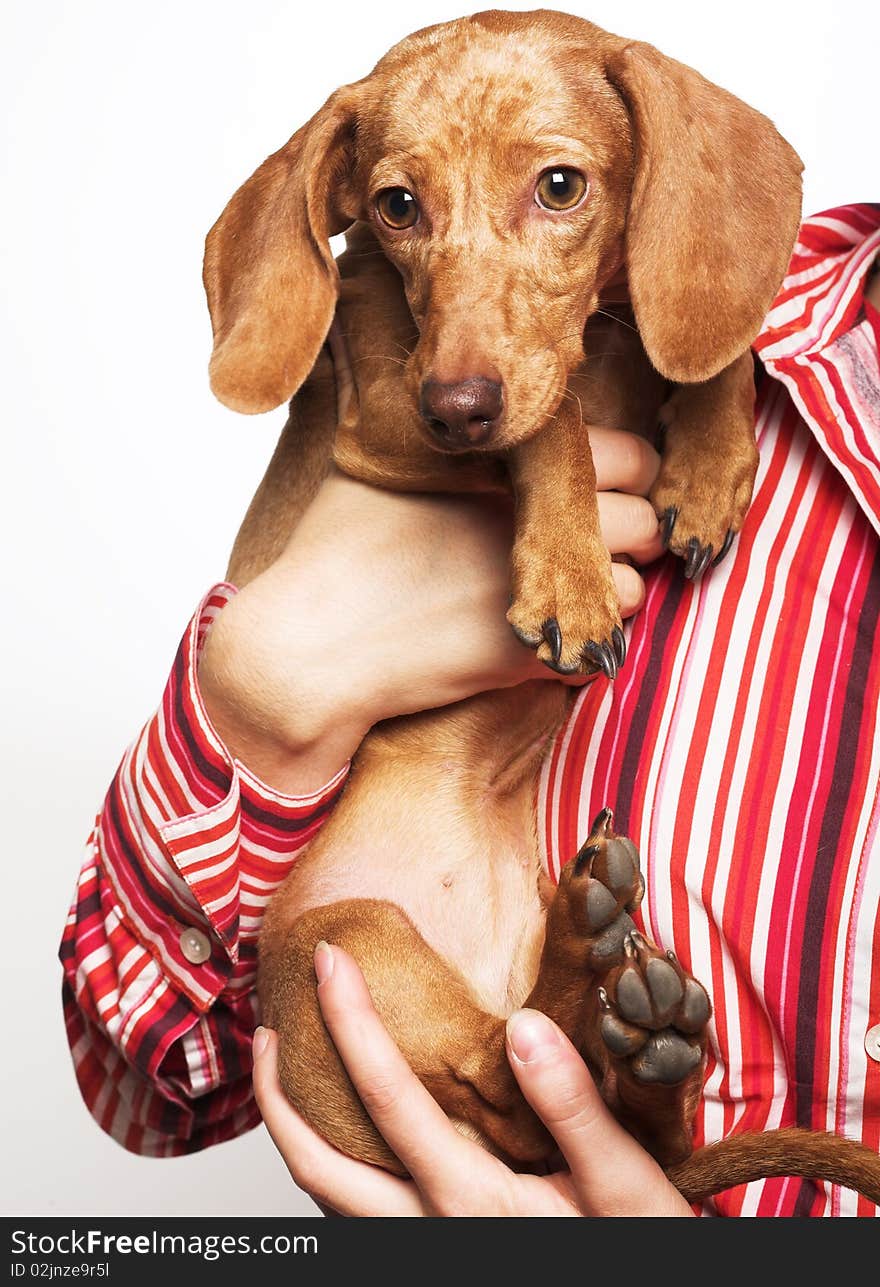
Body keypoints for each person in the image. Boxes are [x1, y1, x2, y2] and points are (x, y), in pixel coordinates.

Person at [60, 204, 880, 1217]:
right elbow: (160, 1085)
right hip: (373, 943)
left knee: (581, 1017)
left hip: (496, 979)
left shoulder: (702, 306)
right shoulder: (485, 314)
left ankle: (595, 1097)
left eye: (557, 187)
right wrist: (267, 687)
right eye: (405, 206)